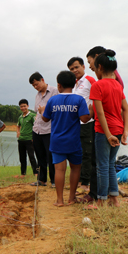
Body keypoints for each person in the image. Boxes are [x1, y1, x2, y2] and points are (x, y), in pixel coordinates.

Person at [40, 71, 91, 207]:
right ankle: (72, 198)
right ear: (74, 83)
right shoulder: (79, 100)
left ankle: (59, 200)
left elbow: (45, 119)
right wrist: (91, 111)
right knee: (75, 169)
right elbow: (84, 119)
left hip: (57, 141)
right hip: (74, 141)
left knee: (59, 170)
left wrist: (41, 111)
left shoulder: (53, 100)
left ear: (59, 85)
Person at [83, 46, 125, 204]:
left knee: (102, 166)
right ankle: (114, 198)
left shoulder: (97, 85)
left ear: (99, 67)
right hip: (118, 129)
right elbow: (126, 109)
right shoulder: (118, 85)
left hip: (104, 131)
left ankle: (100, 200)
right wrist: (125, 132)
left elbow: (99, 113)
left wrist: (107, 135)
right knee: (110, 164)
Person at [67, 57, 96, 194]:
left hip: (88, 122)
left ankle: (85, 183)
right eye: (71, 69)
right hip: (75, 123)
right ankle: (78, 180)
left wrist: (93, 114)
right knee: (76, 151)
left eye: (76, 67)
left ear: (83, 66)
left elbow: (97, 98)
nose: (74, 70)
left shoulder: (89, 80)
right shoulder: (74, 84)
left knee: (87, 152)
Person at [28, 72, 58, 187]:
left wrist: (47, 109)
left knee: (51, 156)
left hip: (50, 129)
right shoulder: (37, 95)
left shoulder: (55, 91)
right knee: (40, 156)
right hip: (37, 129)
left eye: (37, 84)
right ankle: (42, 180)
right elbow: (37, 112)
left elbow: (57, 108)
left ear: (42, 80)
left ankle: (54, 181)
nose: (36, 87)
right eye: (34, 86)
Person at [17, 99, 38, 178]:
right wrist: (18, 132)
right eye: (21, 106)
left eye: (24, 106)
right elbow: (18, 125)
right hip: (21, 140)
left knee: (31, 157)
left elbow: (36, 126)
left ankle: (36, 172)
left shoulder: (32, 115)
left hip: (29, 139)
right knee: (22, 158)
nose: (23, 108)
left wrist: (34, 137)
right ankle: (23, 173)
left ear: (28, 106)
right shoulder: (20, 117)